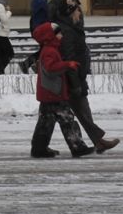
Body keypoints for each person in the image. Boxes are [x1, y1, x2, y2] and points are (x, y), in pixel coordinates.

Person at [59, 0, 117, 152]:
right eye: (77, 10)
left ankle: (97, 141)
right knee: (78, 112)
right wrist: (75, 82)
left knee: (77, 113)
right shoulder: (69, 32)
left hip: (76, 77)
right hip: (73, 79)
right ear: (71, 13)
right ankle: (97, 141)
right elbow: (69, 59)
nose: (80, 12)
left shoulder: (71, 28)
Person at [30, 21, 94, 159]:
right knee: (68, 120)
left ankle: (39, 149)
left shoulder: (50, 49)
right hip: (53, 93)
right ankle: (77, 147)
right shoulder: (50, 51)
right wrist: (67, 64)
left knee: (45, 123)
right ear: (50, 36)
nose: (61, 35)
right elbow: (50, 68)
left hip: (48, 93)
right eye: (58, 33)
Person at [18, 0, 51, 73]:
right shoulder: (41, 1)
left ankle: (33, 65)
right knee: (45, 49)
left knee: (44, 49)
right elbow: (46, 14)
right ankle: (29, 64)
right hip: (41, 29)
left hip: (38, 28)